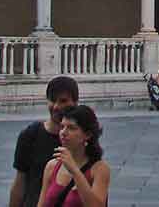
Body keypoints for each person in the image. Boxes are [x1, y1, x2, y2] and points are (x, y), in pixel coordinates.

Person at [11, 76, 80, 207]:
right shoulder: (30, 135)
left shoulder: (81, 138)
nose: (56, 106)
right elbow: (20, 183)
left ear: (75, 102)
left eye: (63, 101)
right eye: (52, 100)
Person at [37, 104, 111, 207]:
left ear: (88, 135)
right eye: (62, 127)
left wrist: (75, 171)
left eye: (71, 128)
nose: (63, 132)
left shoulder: (99, 169)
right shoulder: (51, 166)